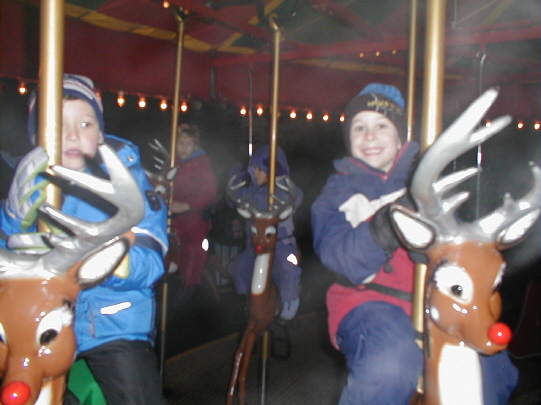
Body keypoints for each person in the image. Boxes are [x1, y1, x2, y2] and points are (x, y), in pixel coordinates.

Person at [310, 83, 519, 405]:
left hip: (432, 304)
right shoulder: (334, 196)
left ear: (400, 136)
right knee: (390, 365)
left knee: (496, 371)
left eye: (382, 126)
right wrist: (390, 221)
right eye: (359, 127)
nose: (369, 137)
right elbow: (340, 258)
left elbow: (456, 249)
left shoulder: (428, 187)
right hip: (366, 305)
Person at [0, 74, 169, 405]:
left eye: (85, 124)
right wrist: (12, 219)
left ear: (101, 132)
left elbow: (152, 259)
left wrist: (117, 264)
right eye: (56, 125)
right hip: (37, 329)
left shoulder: (129, 187)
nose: (71, 135)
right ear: (37, 136)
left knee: (135, 395)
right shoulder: (27, 188)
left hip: (111, 323)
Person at [226, 145, 303, 321]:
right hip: (256, 244)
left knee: (288, 266)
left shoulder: (285, 189)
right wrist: (235, 175)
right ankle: (246, 299)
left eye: (259, 170)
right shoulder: (252, 192)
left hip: (281, 243)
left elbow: (296, 197)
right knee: (238, 266)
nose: (256, 174)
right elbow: (233, 200)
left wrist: (255, 201)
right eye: (253, 170)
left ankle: (290, 299)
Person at [169, 123, 217, 295]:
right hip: (172, 219)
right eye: (180, 143)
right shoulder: (173, 162)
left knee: (192, 251)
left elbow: (210, 192)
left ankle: (188, 289)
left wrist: (186, 206)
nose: (183, 147)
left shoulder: (201, 164)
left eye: (188, 143)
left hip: (193, 219)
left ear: (195, 146)